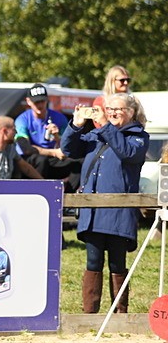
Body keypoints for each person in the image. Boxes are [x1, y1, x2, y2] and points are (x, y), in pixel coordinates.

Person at [62, 94, 148, 314]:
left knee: (117, 263)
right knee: (93, 260)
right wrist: (76, 125)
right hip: (93, 211)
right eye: (108, 109)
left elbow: (127, 153)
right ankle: (90, 314)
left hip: (119, 213)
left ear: (130, 112)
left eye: (117, 109)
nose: (111, 113)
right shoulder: (97, 135)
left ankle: (120, 313)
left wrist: (107, 126)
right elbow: (69, 150)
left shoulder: (138, 137)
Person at [15, 83, 78, 185]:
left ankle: (68, 194)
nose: (40, 105)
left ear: (47, 100)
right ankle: (37, 190)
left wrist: (57, 137)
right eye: (36, 102)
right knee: (41, 160)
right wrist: (53, 152)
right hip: (32, 161)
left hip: (53, 159)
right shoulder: (22, 120)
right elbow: (26, 149)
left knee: (79, 163)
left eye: (42, 101)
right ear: (28, 102)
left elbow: (70, 147)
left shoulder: (59, 117)